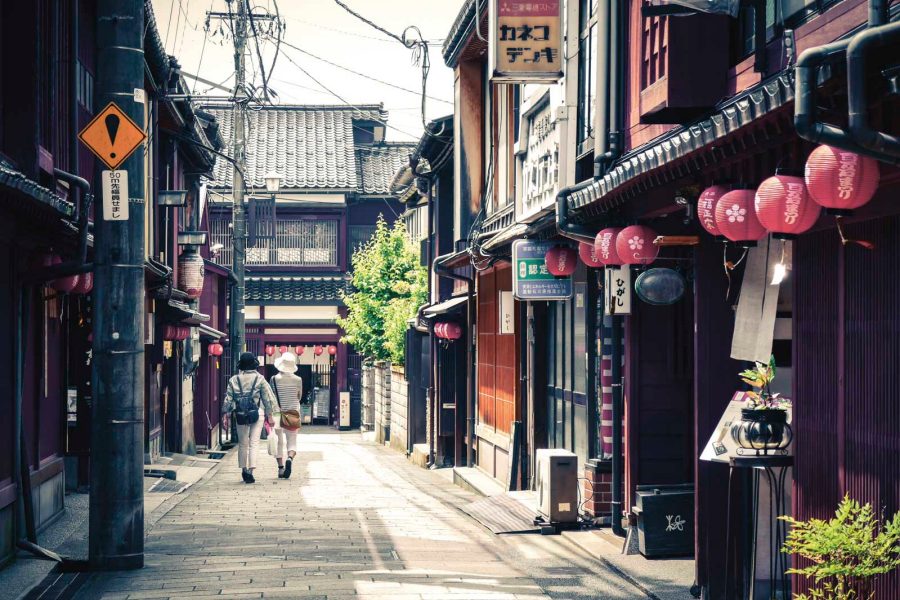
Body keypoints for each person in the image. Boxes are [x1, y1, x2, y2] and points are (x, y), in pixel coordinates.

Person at [223, 352, 275, 483]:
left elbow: (228, 399)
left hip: (240, 413)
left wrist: (226, 414)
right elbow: (267, 399)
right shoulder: (260, 378)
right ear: (254, 365)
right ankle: (251, 471)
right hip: (256, 413)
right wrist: (270, 416)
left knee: (243, 443)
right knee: (254, 443)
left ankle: (243, 469)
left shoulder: (234, 379)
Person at [270, 351, 303, 479]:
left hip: (278, 414)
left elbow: (271, 397)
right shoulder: (298, 379)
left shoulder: (274, 379)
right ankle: (290, 458)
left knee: (279, 442)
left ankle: (280, 468)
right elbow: (299, 396)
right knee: (292, 441)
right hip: (293, 413)